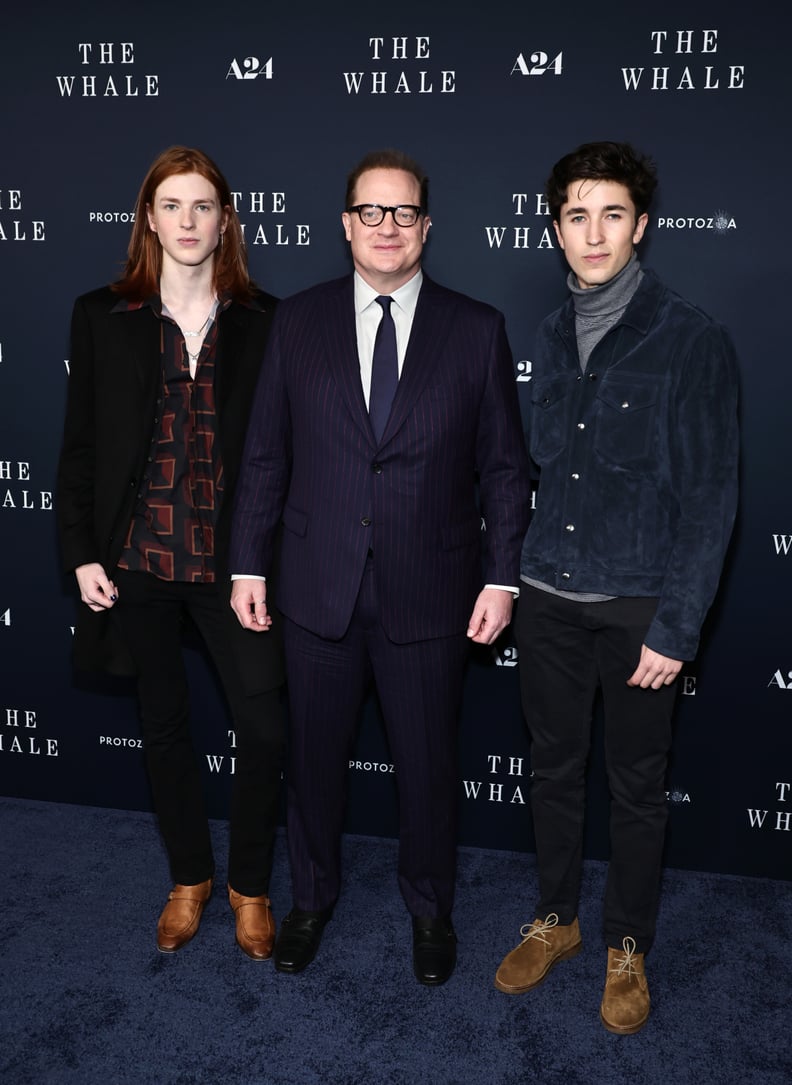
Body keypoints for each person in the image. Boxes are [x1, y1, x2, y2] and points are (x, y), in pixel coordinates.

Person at [230, 148, 531, 985]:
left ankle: (431, 909)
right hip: (314, 586)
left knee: (430, 767)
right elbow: (264, 455)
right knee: (314, 761)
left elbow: (505, 467)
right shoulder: (299, 321)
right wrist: (247, 564)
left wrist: (501, 577)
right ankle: (311, 898)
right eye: (372, 212)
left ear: (427, 226)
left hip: (431, 593)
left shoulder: (477, 328)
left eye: (404, 213)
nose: (388, 227)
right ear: (346, 225)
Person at [493, 141, 739, 1033]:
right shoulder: (552, 333)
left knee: (636, 787)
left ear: (641, 224)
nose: (591, 233)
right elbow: (543, 471)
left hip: (639, 609)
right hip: (548, 596)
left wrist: (676, 627)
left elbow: (712, 498)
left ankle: (625, 943)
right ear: (555, 227)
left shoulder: (691, 336)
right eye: (574, 215)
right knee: (552, 770)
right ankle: (557, 919)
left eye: (610, 214)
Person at [56, 146, 286, 960]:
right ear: (148, 219)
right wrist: (82, 551)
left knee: (263, 728)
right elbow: (80, 446)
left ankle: (249, 886)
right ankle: (189, 876)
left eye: (203, 206)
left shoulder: (267, 320)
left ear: (226, 221)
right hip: (139, 562)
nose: (188, 222)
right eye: (172, 205)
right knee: (164, 726)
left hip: (236, 569)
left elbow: (286, 455)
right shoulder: (102, 314)